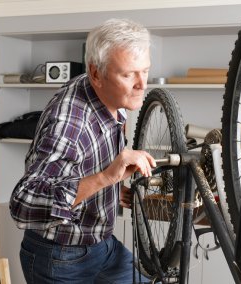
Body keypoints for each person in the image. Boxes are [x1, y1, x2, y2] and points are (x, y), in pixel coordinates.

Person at [9, 18, 156, 284]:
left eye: (144, 71)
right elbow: (23, 203)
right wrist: (105, 179)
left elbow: (78, 166)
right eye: (128, 74)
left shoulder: (110, 93)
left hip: (101, 246)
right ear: (96, 73)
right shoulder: (68, 125)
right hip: (59, 257)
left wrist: (109, 189)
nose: (142, 84)